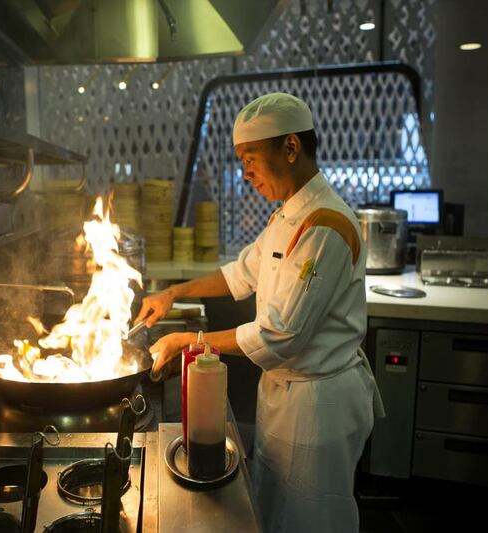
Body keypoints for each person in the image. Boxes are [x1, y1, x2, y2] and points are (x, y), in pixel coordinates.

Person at [136, 92, 384, 533]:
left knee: (313, 517)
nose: (244, 172)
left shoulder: (326, 226)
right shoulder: (286, 217)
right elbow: (240, 274)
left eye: (250, 158)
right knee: (274, 509)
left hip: (317, 402)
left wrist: (187, 342)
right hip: (283, 396)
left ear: (290, 148)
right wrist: (174, 292)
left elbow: (279, 336)